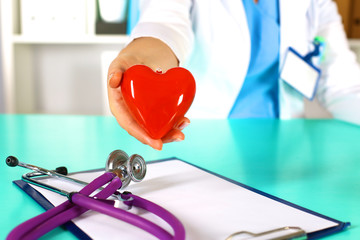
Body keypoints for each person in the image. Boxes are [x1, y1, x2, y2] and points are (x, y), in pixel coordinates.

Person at [107, 0, 360, 150]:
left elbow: (344, 85)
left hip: (286, 154)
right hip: (200, 148)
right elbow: (164, 24)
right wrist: (141, 58)